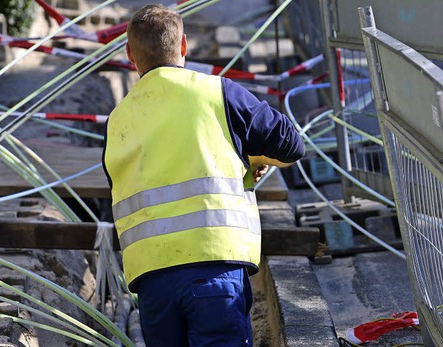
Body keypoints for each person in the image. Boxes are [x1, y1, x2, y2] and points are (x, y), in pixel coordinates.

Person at [102, 4, 305, 346]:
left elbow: (125, 187)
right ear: (183, 45)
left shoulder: (117, 121)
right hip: (216, 267)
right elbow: (291, 144)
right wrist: (249, 156)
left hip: (152, 280)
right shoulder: (218, 93)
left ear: (129, 54)